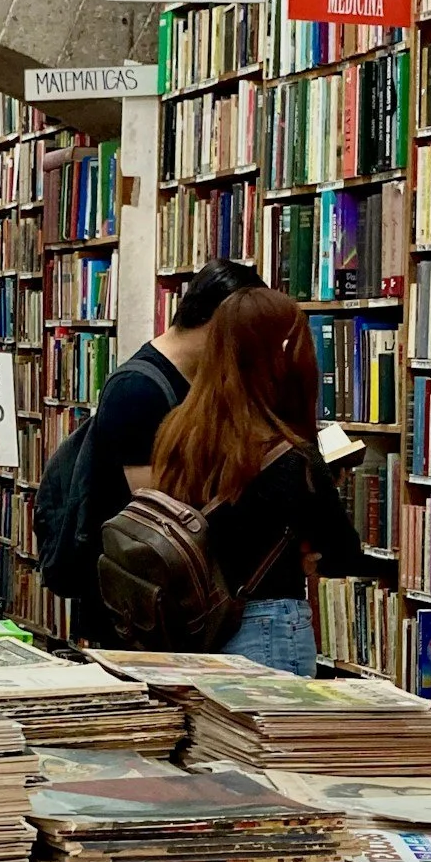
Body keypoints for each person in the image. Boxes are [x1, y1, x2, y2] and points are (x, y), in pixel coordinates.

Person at [145, 284, 371, 673]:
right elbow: (342, 554)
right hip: (266, 630)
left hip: (194, 627)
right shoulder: (290, 458)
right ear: (284, 355)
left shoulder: (176, 430)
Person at [57, 258, 262, 643]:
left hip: (165, 598)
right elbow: (157, 511)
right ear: (221, 323)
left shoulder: (198, 380)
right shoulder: (137, 389)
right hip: (134, 603)